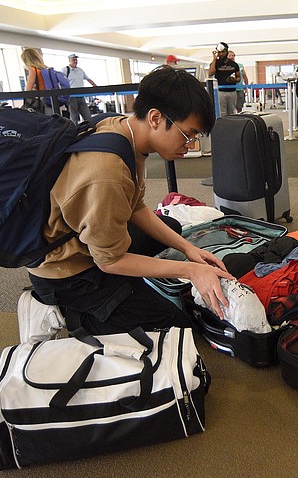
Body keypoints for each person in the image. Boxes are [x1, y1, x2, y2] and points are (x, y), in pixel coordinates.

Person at [27, 66, 234, 335]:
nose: (191, 144)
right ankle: (71, 313)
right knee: (177, 327)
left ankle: (124, 293)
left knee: (170, 228)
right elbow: (108, 261)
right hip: (66, 272)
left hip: (85, 238)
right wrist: (191, 270)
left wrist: (188, 250)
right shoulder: (107, 172)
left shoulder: (125, 130)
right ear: (156, 118)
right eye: (188, 134)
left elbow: (135, 206)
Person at [62, 54, 97, 124]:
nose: (75, 61)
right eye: (73, 60)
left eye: (76, 60)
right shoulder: (65, 70)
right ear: (69, 60)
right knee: (74, 117)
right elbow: (61, 81)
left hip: (81, 96)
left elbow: (88, 79)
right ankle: (74, 132)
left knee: (88, 116)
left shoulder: (80, 70)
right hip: (71, 97)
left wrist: (95, 86)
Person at [208, 42, 240, 116]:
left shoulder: (234, 64)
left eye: (223, 52)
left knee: (232, 112)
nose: (221, 54)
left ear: (227, 51)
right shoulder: (215, 63)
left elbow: (238, 78)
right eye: (219, 52)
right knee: (222, 112)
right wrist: (214, 59)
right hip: (220, 91)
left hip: (232, 91)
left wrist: (234, 80)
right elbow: (211, 73)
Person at [21, 48, 54, 115]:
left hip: (40, 101)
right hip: (49, 99)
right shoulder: (45, 69)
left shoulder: (33, 70)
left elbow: (28, 90)